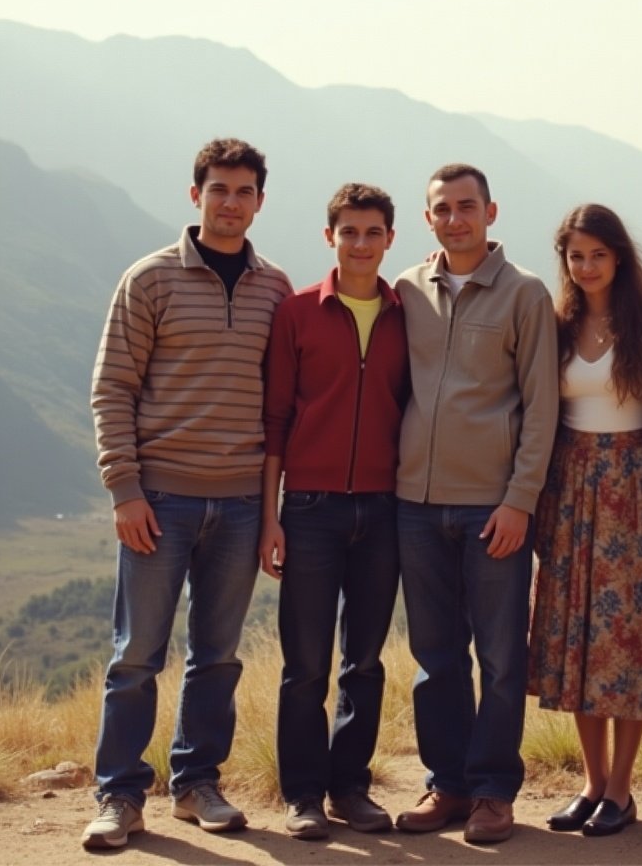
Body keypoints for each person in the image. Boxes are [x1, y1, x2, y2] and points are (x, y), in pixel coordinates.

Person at [83, 138, 292, 850]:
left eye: (243, 191)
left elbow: (279, 412)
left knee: (218, 656)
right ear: (195, 194)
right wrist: (125, 490)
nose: (230, 202)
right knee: (137, 654)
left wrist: (270, 512)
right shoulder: (149, 280)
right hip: (160, 500)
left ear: (260, 201)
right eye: (218, 189)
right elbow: (112, 388)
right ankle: (118, 795)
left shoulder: (275, 290)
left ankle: (196, 783)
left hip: (237, 505)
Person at [392, 163, 559, 844]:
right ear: (428, 217)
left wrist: (520, 501)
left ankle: (494, 790)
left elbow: (542, 407)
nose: (455, 219)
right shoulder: (406, 288)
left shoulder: (524, 294)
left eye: (467, 207)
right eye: (442, 209)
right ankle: (448, 785)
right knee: (435, 656)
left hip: (493, 507)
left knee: (499, 657)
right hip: (414, 505)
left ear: (492, 212)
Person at [259, 183, 409, 841]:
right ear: (330, 238)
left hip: (383, 509)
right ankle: (303, 796)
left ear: (389, 239)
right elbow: (276, 422)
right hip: (311, 511)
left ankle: (350, 787)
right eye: (348, 231)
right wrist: (272, 518)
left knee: (365, 661)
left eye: (372, 232)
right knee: (306, 665)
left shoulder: (409, 315)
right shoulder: (296, 313)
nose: (360, 243)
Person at [528, 204, 642, 838]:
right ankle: (591, 784)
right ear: (565, 261)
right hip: (568, 485)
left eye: (598, 254)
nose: (587, 266)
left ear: (619, 255)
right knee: (577, 639)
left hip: (632, 487)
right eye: (575, 255)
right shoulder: (557, 324)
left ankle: (622, 789)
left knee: (626, 643)